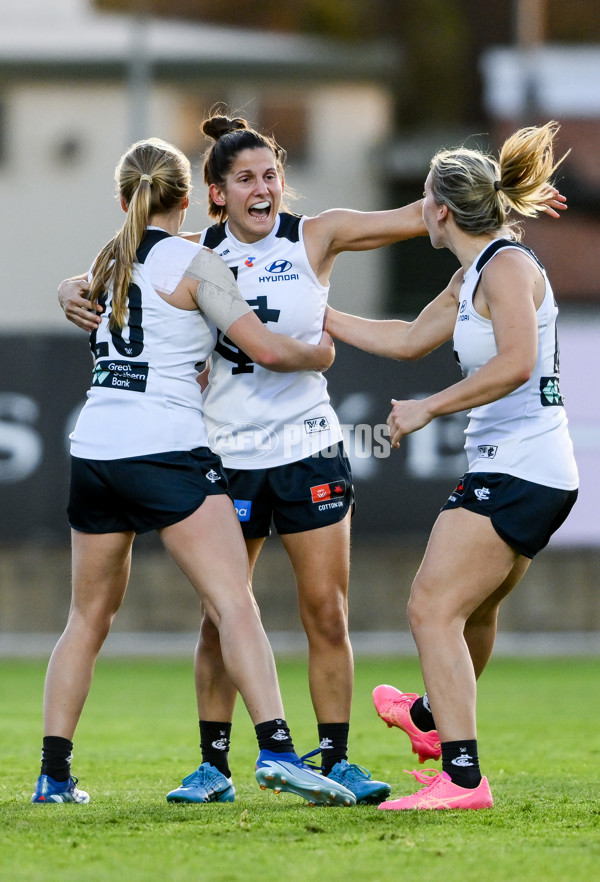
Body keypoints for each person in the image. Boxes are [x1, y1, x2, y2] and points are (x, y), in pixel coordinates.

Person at [58, 111, 434, 805]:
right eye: (245, 179)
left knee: (326, 612)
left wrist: (496, 189)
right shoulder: (189, 249)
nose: (263, 189)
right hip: (224, 453)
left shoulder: (314, 234)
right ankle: (214, 765)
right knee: (220, 614)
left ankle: (338, 758)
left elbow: (418, 215)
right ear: (216, 194)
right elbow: (107, 273)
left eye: (271, 176)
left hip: (308, 447)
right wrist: (68, 289)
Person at [324, 120, 578, 810]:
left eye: (422, 204)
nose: (420, 215)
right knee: (468, 614)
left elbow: (518, 363)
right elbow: (407, 338)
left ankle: (463, 777)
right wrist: (319, 316)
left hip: (522, 465)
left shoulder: (507, 268)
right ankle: (436, 725)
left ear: (439, 210)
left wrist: (428, 409)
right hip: (528, 466)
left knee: (430, 608)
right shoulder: (474, 273)